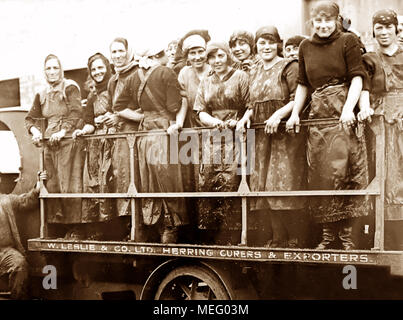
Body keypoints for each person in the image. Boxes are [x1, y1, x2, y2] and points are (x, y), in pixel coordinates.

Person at [286, 0, 372, 250]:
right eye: (318, 20)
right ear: (312, 22)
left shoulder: (348, 41)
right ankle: (327, 237)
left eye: (328, 20)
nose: (322, 25)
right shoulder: (305, 46)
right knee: (321, 176)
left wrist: (347, 110)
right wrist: (294, 114)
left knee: (344, 173)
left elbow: (358, 77)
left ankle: (347, 238)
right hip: (318, 116)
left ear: (336, 20)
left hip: (343, 110)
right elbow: (303, 84)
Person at [236, 26, 307, 248]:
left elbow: (299, 97)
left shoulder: (289, 66)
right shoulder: (254, 70)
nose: (265, 47)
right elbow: (253, 103)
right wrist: (245, 117)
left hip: (284, 134)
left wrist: (278, 115)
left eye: (270, 42)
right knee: (264, 184)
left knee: (284, 183)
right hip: (261, 134)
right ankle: (278, 238)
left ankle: (295, 238)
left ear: (278, 44)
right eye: (261, 43)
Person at [113, 53, 189, 244]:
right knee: (169, 180)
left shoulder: (132, 77)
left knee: (148, 180)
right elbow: (174, 105)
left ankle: (156, 227)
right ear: (158, 56)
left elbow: (118, 106)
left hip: (145, 135)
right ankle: (171, 228)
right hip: (165, 133)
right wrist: (176, 121)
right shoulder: (166, 73)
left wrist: (143, 117)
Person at [194, 42, 250, 245]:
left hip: (237, 135)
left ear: (227, 56)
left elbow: (249, 105)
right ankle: (213, 237)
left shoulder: (240, 77)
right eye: (212, 57)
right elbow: (200, 110)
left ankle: (234, 235)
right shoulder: (206, 81)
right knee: (209, 181)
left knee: (233, 180)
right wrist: (214, 122)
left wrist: (239, 120)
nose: (217, 61)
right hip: (214, 136)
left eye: (220, 56)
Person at [25, 54, 85, 238]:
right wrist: (35, 132)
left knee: (70, 183)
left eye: (55, 68)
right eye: (48, 68)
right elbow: (30, 119)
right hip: (49, 145)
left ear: (61, 69)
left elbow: (76, 113)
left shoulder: (70, 87)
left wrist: (63, 131)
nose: (52, 72)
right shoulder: (41, 93)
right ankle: (59, 227)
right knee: (51, 183)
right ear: (44, 71)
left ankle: (77, 229)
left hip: (68, 142)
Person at [359, 9, 403, 250]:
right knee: (383, 174)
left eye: (388, 27)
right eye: (379, 27)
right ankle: (385, 236)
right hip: (380, 122)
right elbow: (364, 88)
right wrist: (366, 109)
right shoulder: (369, 59)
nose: (384, 32)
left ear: (397, 29)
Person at [101, 38, 143, 240]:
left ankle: (140, 225)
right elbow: (113, 108)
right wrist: (107, 118)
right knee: (121, 178)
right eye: (114, 52)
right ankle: (128, 225)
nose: (117, 56)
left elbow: (145, 108)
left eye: (121, 51)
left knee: (136, 177)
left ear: (128, 52)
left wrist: (119, 116)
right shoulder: (112, 80)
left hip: (136, 132)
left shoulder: (137, 74)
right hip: (119, 136)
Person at [72, 52, 114, 240]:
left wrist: (112, 117)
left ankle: (118, 226)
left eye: (100, 67)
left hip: (114, 138)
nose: (98, 72)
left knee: (112, 180)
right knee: (95, 183)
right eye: (94, 69)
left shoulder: (116, 86)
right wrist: (83, 131)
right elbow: (89, 122)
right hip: (97, 142)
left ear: (107, 67)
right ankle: (99, 228)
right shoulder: (91, 95)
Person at [0, 172, 45, 299]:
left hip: (5, 252)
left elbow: (25, 201)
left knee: (20, 265)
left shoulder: (6, 200)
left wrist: (38, 186)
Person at [178, 33, 210, 127]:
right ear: (187, 56)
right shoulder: (184, 73)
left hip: (216, 122)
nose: (197, 57)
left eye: (200, 51)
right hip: (194, 124)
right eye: (192, 53)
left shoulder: (214, 70)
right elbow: (183, 100)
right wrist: (179, 123)